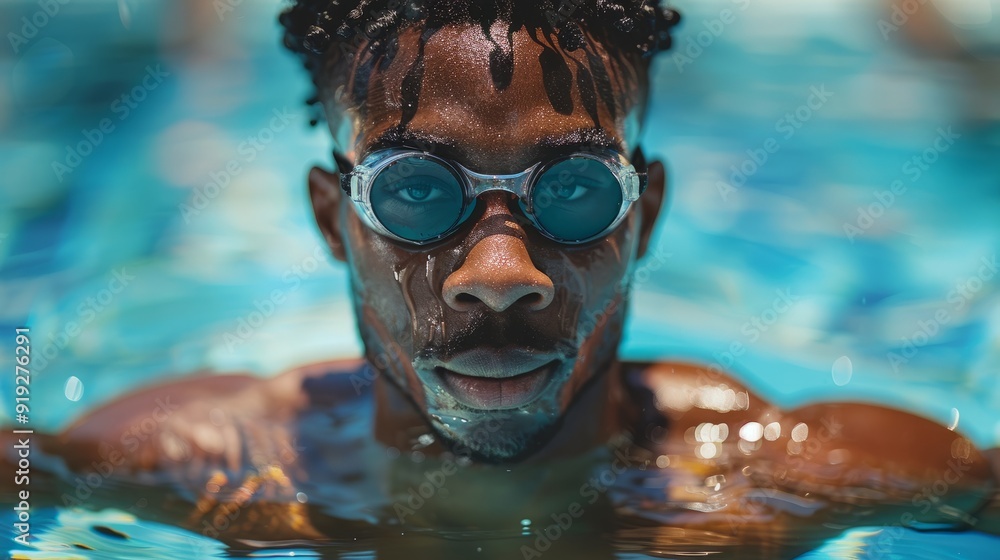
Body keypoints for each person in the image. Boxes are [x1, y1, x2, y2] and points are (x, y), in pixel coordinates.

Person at [11, 1, 999, 557]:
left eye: (573, 191)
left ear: (644, 215)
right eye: (414, 193)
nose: (499, 272)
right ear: (329, 220)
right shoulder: (202, 459)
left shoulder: (780, 473)